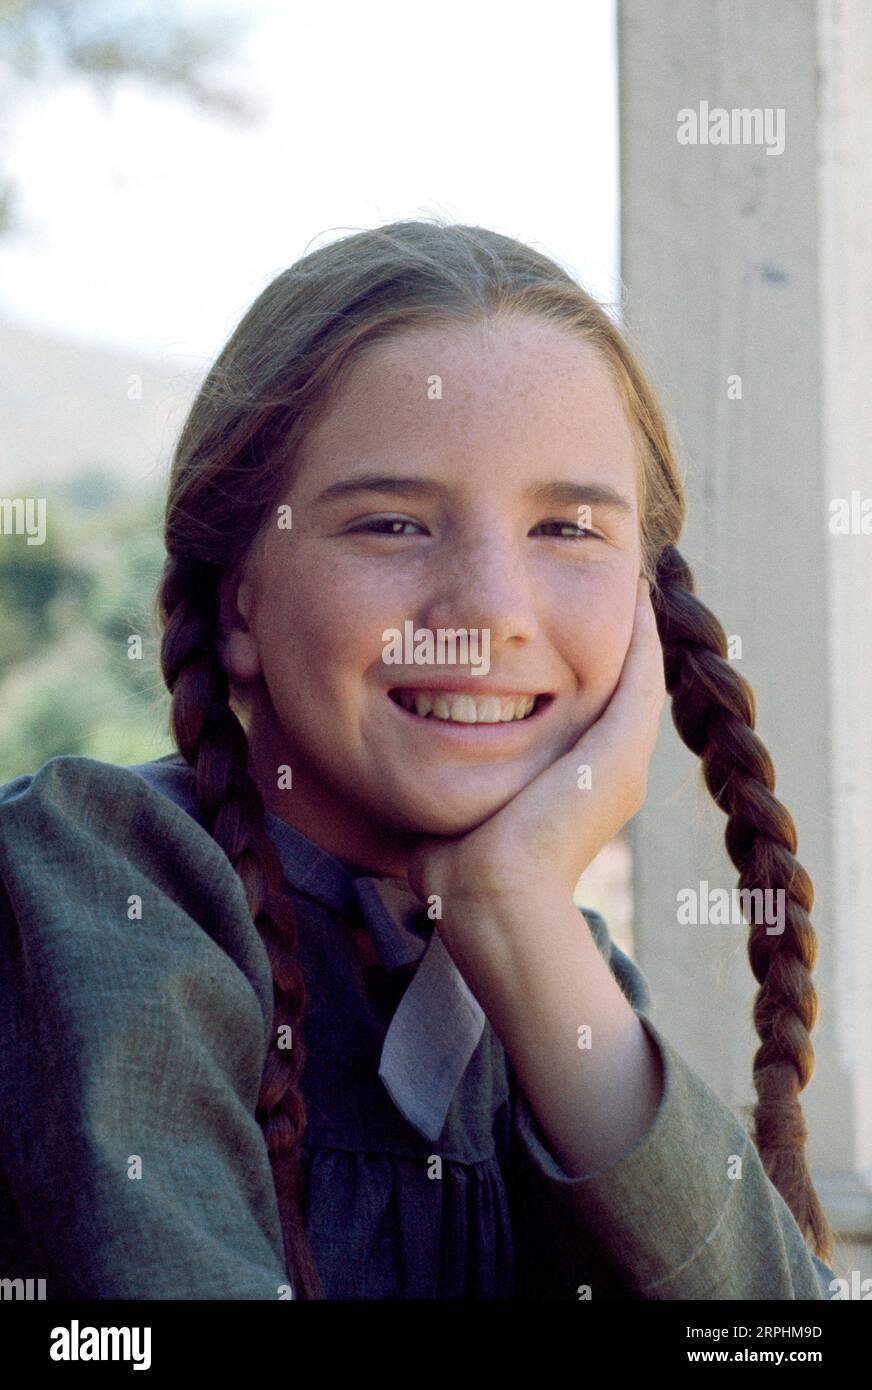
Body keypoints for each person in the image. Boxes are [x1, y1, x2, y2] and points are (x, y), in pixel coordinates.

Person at [0, 220, 838, 1300]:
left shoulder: (544, 968)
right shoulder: (93, 886)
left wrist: (513, 910)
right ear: (237, 598)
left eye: (567, 530)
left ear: (646, 604)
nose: (486, 609)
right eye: (391, 525)